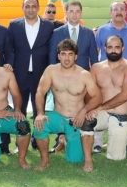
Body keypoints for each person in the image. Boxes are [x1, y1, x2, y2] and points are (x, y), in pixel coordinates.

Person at [34, 39, 102, 171]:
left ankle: (64, 140)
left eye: (70, 54)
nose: (66, 58)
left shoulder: (84, 75)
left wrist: (83, 111)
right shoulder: (51, 71)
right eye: (63, 54)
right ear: (58, 56)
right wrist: (40, 113)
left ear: (76, 57)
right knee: (39, 126)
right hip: (58, 116)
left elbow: (98, 97)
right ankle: (45, 161)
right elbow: (40, 92)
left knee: (75, 159)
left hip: (75, 120)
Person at [8, 0, 54, 151]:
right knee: (18, 109)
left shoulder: (48, 25)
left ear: (38, 7)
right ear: (23, 7)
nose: (30, 9)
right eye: (27, 6)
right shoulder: (14, 25)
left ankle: (37, 140)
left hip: (41, 75)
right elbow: (10, 49)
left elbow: (50, 50)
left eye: (33, 6)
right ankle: (19, 140)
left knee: (38, 109)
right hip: (19, 74)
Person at [86, 35, 127, 160]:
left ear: (123, 48)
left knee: (116, 158)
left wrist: (101, 106)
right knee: (86, 120)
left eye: (117, 47)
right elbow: (88, 93)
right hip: (101, 114)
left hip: (121, 116)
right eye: (110, 47)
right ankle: (86, 154)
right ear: (105, 48)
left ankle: (112, 143)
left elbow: (125, 95)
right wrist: (90, 108)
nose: (113, 50)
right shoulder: (96, 68)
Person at [49, 0, 98, 71]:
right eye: (71, 11)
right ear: (66, 13)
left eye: (77, 11)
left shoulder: (89, 33)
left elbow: (94, 58)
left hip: (83, 75)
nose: (74, 14)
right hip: (62, 75)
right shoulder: (57, 33)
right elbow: (52, 56)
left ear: (81, 13)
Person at [95, 1, 127, 68]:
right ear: (110, 13)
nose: (119, 12)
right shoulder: (101, 30)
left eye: (122, 9)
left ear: (126, 12)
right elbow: (95, 53)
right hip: (105, 73)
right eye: (115, 9)